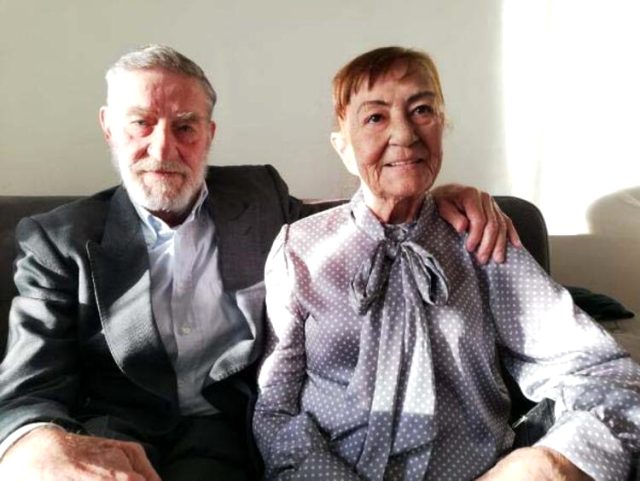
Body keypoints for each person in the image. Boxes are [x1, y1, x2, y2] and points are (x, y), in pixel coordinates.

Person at [0, 45, 514, 481]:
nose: (163, 147)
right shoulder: (59, 239)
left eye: (185, 126)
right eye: (141, 124)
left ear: (210, 133)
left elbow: (359, 224)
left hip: (231, 433)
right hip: (115, 434)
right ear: (110, 128)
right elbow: (28, 385)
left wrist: (435, 195)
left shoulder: (258, 197)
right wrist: (35, 444)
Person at [252, 46, 640, 481]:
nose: (404, 135)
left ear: (442, 125)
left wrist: (549, 460)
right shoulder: (300, 248)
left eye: (422, 110)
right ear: (343, 148)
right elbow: (275, 409)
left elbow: (600, 369)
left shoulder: (480, 235)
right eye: (375, 117)